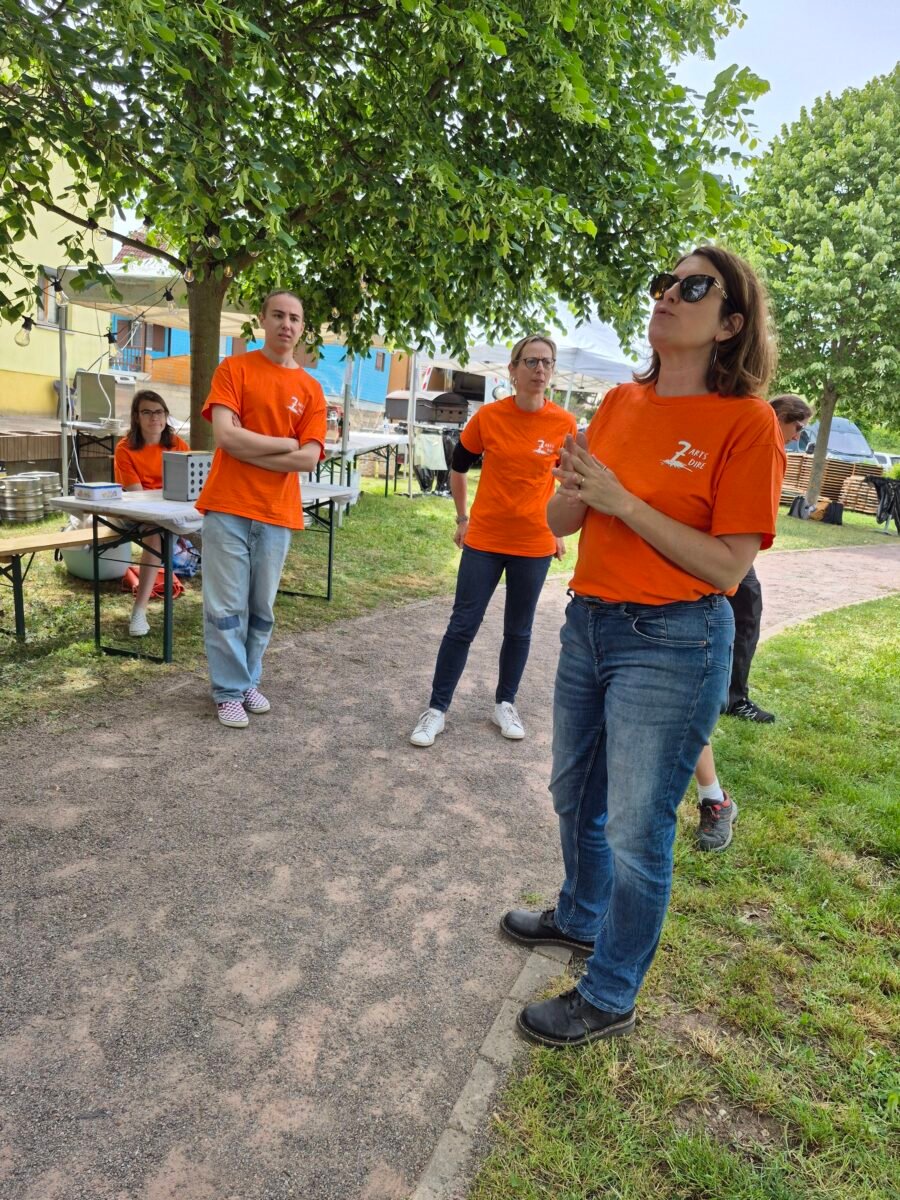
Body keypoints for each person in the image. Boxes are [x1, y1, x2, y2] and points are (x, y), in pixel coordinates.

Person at [502, 246, 786, 1048]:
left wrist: (622, 501)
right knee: (573, 794)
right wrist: (575, 489)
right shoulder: (621, 402)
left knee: (635, 827)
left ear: (730, 323)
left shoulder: (748, 423)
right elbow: (560, 520)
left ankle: (611, 992)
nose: (668, 294)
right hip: (590, 621)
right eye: (664, 281)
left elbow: (728, 566)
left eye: (694, 287)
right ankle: (580, 916)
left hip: (675, 640)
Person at [409, 335, 577, 747]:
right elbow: (458, 465)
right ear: (513, 369)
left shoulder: (564, 424)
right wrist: (462, 517)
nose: (540, 369)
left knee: (519, 630)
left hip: (534, 543)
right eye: (531, 361)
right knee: (462, 624)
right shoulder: (489, 417)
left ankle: (505, 703)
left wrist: (556, 531)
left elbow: (567, 483)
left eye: (547, 362)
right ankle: (436, 709)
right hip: (485, 539)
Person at [195, 290, 326, 728]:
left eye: (295, 318)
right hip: (227, 506)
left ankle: (248, 678)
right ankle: (229, 690)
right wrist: (286, 443)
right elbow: (225, 437)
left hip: (276, 513)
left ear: (302, 328)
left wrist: (250, 448)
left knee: (261, 609)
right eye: (278, 315)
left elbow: (309, 459)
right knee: (225, 607)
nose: (286, 324)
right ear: (263, 320)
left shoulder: (311, 389)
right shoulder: (234, 369)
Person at [694, 392, 812, 851]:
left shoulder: (761, 442)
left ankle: (730, 702)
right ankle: (730, 699)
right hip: (700, 564)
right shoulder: (754, 433)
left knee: (740, 624)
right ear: (778, 416)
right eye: (796, 427)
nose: (796, 437)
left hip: (716, 563)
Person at [113, 390, 190, 637]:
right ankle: (139, 611)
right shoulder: (124, 448)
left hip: (173, 510)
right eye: (147, 412)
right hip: (136, 512)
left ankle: (227, 603)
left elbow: (190, 485)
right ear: (136, 416)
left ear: (166, 415)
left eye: (159, 412)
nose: (154, 417)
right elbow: (138, 497)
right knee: (154, 533)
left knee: (216, 528)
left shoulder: (177, 444)